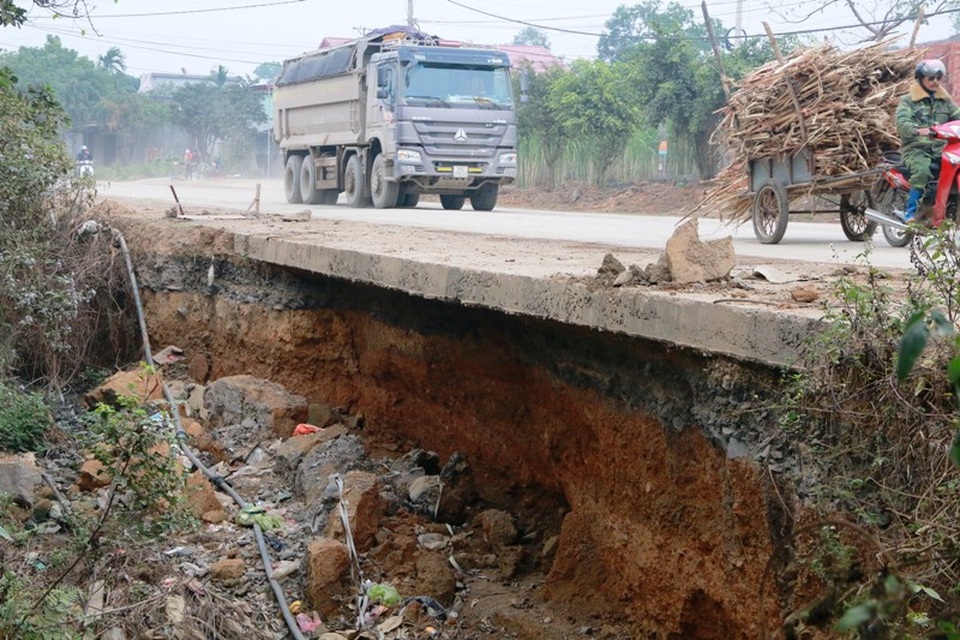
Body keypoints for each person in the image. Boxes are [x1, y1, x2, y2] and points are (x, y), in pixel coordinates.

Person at [895, 59, 960, 221]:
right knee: (922, 171)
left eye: (938, 78)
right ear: (921, 79)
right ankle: (910, 213)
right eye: (931, 78)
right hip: (916, 149)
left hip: (940, 150)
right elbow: (902, 122)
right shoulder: (908, 101)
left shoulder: (945, 101)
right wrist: (917, 130)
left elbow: (957, 116)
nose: (935, 81)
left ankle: (942, 211)